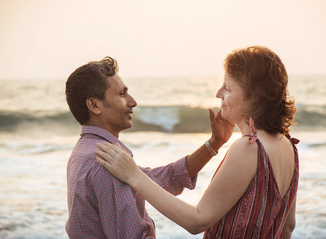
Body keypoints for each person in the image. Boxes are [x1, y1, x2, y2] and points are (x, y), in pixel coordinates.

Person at [95, 46, 300, 239]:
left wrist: (134, 176)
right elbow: (288, 227)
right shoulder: (288, 146)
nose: (219, 93)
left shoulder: (248, 148)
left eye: (227, 88)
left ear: (254, 96)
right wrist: (215, 142)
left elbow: (197, 221)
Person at [64, 57, 235, 238]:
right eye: (122, 94)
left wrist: (215, 143)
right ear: (94, 105)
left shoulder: (85, 152)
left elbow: (156, 180)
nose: (133, 102)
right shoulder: (106, 161)